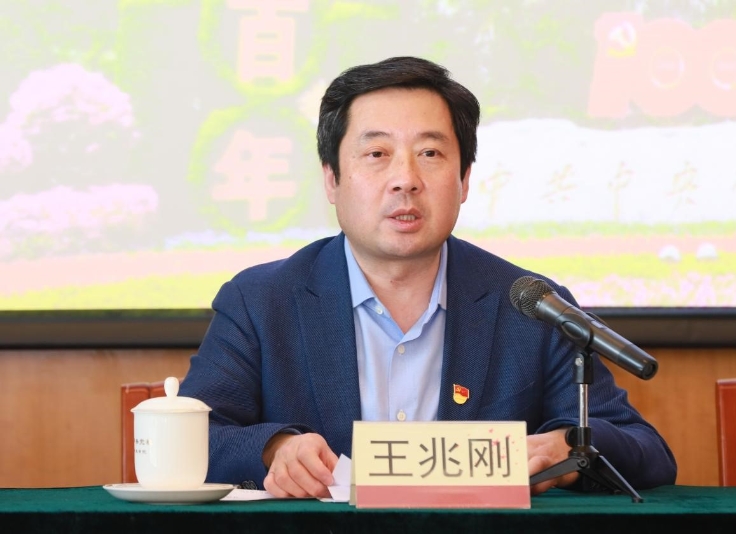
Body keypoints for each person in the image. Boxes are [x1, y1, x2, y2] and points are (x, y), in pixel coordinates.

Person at [178, 56, 677, 498]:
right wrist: (274, 448)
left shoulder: (528, 307)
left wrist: (566, 447)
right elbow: (193, 436)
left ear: (464, 181)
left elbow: (647, 451)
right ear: (331, 179)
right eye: (377, 154)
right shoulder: (260, 301)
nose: (406, 180)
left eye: (430, 154)